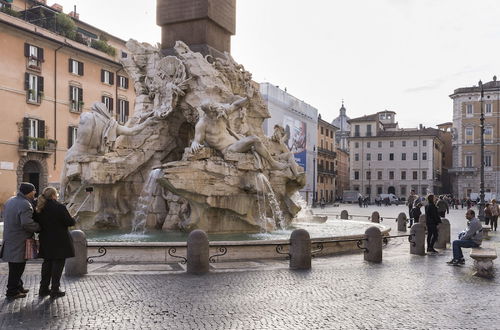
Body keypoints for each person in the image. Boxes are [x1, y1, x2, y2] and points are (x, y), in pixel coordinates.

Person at [190, 97, 286, 170]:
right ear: (206, 112)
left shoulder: (221, 112)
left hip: (236, 142)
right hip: (227, 149)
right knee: (255, 139)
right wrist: (194, 143)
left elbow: (236, 105)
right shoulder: (202, 124)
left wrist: (247, 98)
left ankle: (271, 161)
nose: (214, 115)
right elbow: (197, 140)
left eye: (215, 112)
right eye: (211, 113)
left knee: (255, 140)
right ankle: (272, 163)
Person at [0, 183, 41, 299]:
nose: (35, 193)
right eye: (34, 191)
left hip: (10, 238)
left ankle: (18, 286)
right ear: (29, 192)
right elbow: (26, 223)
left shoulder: (10, 201)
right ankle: (12, 291)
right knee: (17, 267)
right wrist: (39, 227)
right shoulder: (25, 204)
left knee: (15, 265)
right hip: (19, 240)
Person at [34, 187, 76, 298]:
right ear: (53, 195)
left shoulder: (40, 208)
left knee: (47, 263)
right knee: (58, 264)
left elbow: (37, 223)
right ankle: (55, 289)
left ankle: (43, 288)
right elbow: (70, 222)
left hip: (45, 239)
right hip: (59, 241)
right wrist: (72, 217)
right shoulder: (59, 207)